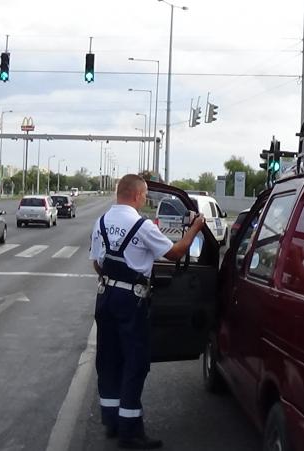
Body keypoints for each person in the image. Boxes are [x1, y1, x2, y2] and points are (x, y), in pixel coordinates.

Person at [89, 174, 205, 449]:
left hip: (105, 296)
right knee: (135, 362)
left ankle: (112, 421)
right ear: (138, 196)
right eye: (144, 196)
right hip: (131, 301)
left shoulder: (101, 222)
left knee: (109, 358)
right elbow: (175, 253)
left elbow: (96, 263)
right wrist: (196, 228)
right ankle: (130, 431)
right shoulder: (141, 225)